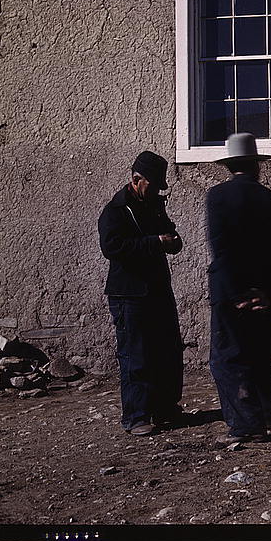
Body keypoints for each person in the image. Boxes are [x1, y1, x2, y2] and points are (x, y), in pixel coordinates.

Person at [206, 133, 271, 446]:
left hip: (230, 293)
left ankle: (246, 423)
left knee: (227, 358)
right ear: (257, 166)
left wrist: (235, 293)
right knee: (261, 353)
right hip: (263, 292)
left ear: (230, 166)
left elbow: (222, 250)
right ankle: (266, 414)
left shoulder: (217, 197)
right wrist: (267, 291)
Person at [97, 150, 184, 437]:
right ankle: (136, 416)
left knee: (167, 350)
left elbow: (171, 234)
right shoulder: (116, 210)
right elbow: (113, 248)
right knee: (137, 355)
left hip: (157, 289)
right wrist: (155, 242)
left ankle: (165, 408)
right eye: (153, 184)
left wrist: (171, 241)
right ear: (136, 179)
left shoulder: (154, 206)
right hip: (129, 294)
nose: (157, 190)